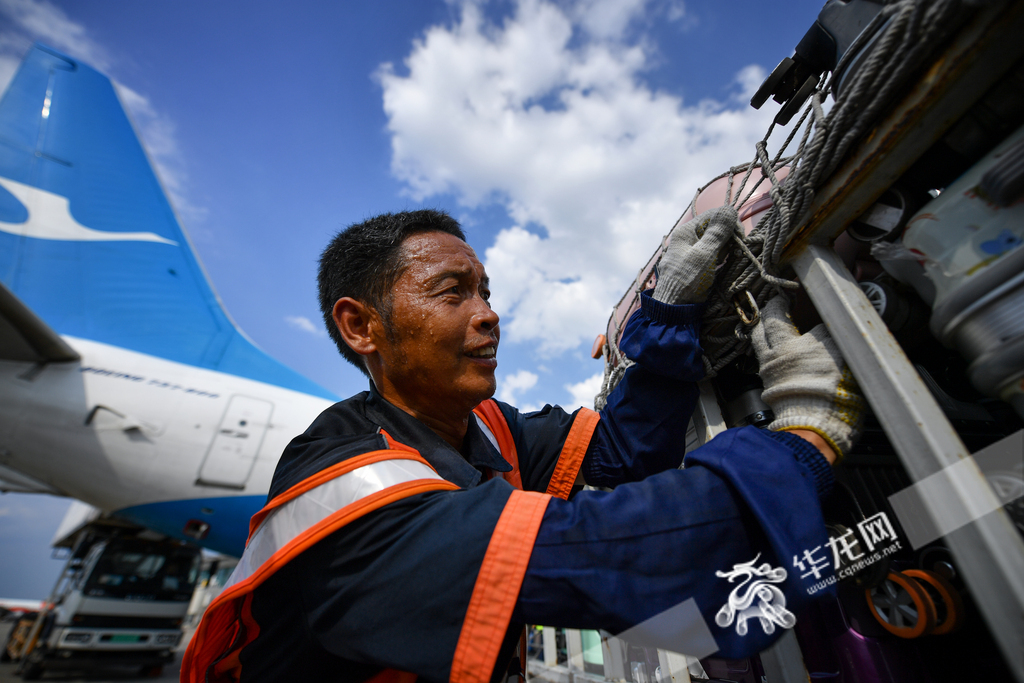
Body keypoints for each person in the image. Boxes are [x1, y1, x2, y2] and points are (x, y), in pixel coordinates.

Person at [182, 208, 863, 683]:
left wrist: (670, 310)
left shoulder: (483, 426)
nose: (488, 312)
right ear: (362, 327)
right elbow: (612, 547)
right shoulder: (349, 480)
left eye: (485, 290)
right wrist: (806, 436)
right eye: (454, 293)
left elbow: (625, 454)